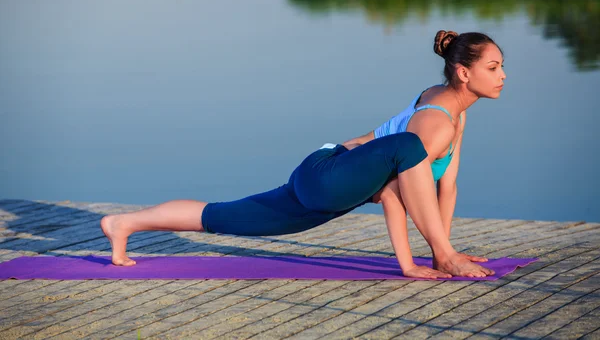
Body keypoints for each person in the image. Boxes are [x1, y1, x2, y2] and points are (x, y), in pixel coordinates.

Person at [100, 30, 506, 280]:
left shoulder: (454, 112)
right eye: (494, 67)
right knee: (407, 150)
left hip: (325, 175)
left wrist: (441, 250)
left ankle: (123, 224)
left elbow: (447, 186)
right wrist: (422, 261)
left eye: (501, 66)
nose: (503, 75)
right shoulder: (434, 125)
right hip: (330, 177)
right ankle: (443, 254)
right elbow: (393, 192)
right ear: (464, 73)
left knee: (223, 216)